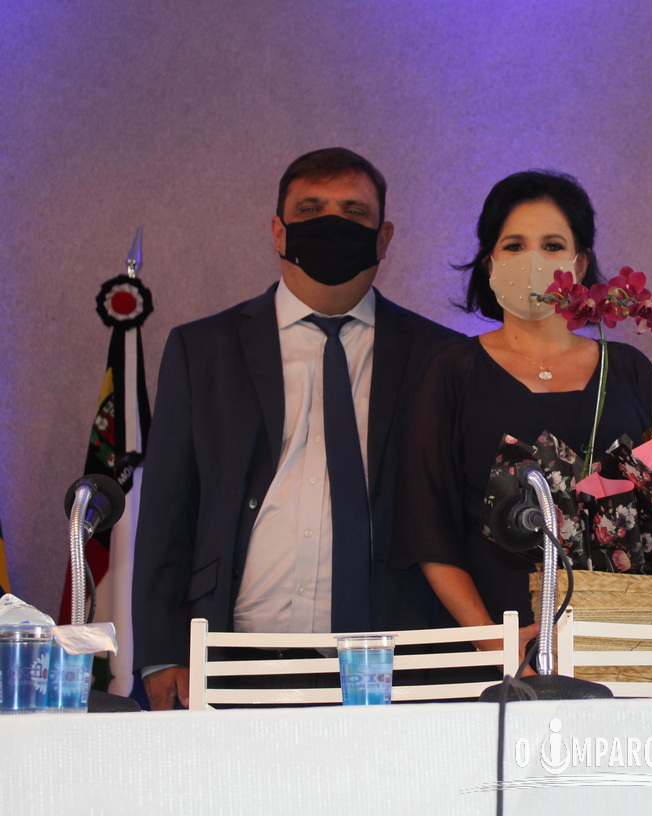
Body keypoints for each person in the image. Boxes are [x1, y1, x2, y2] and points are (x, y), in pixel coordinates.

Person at [131, 147, 459, 709]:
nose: (333, 223)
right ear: (279, 231)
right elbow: (168, 509)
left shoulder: (441, 357)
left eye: (354, 213)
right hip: (231, 662)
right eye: (311, 210)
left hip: (394, 671)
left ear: (384, 238)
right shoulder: (202, 350)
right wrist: (162, 652)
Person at [390, 170, 652, 657]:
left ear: (580, 264)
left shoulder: (629, 369)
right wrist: (493, 643)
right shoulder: (452, 371)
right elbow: (427, 527)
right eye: (514, 246)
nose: (534, 261)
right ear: (489, 262)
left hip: (623, 643)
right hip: (497, 646)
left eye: (553, 246)